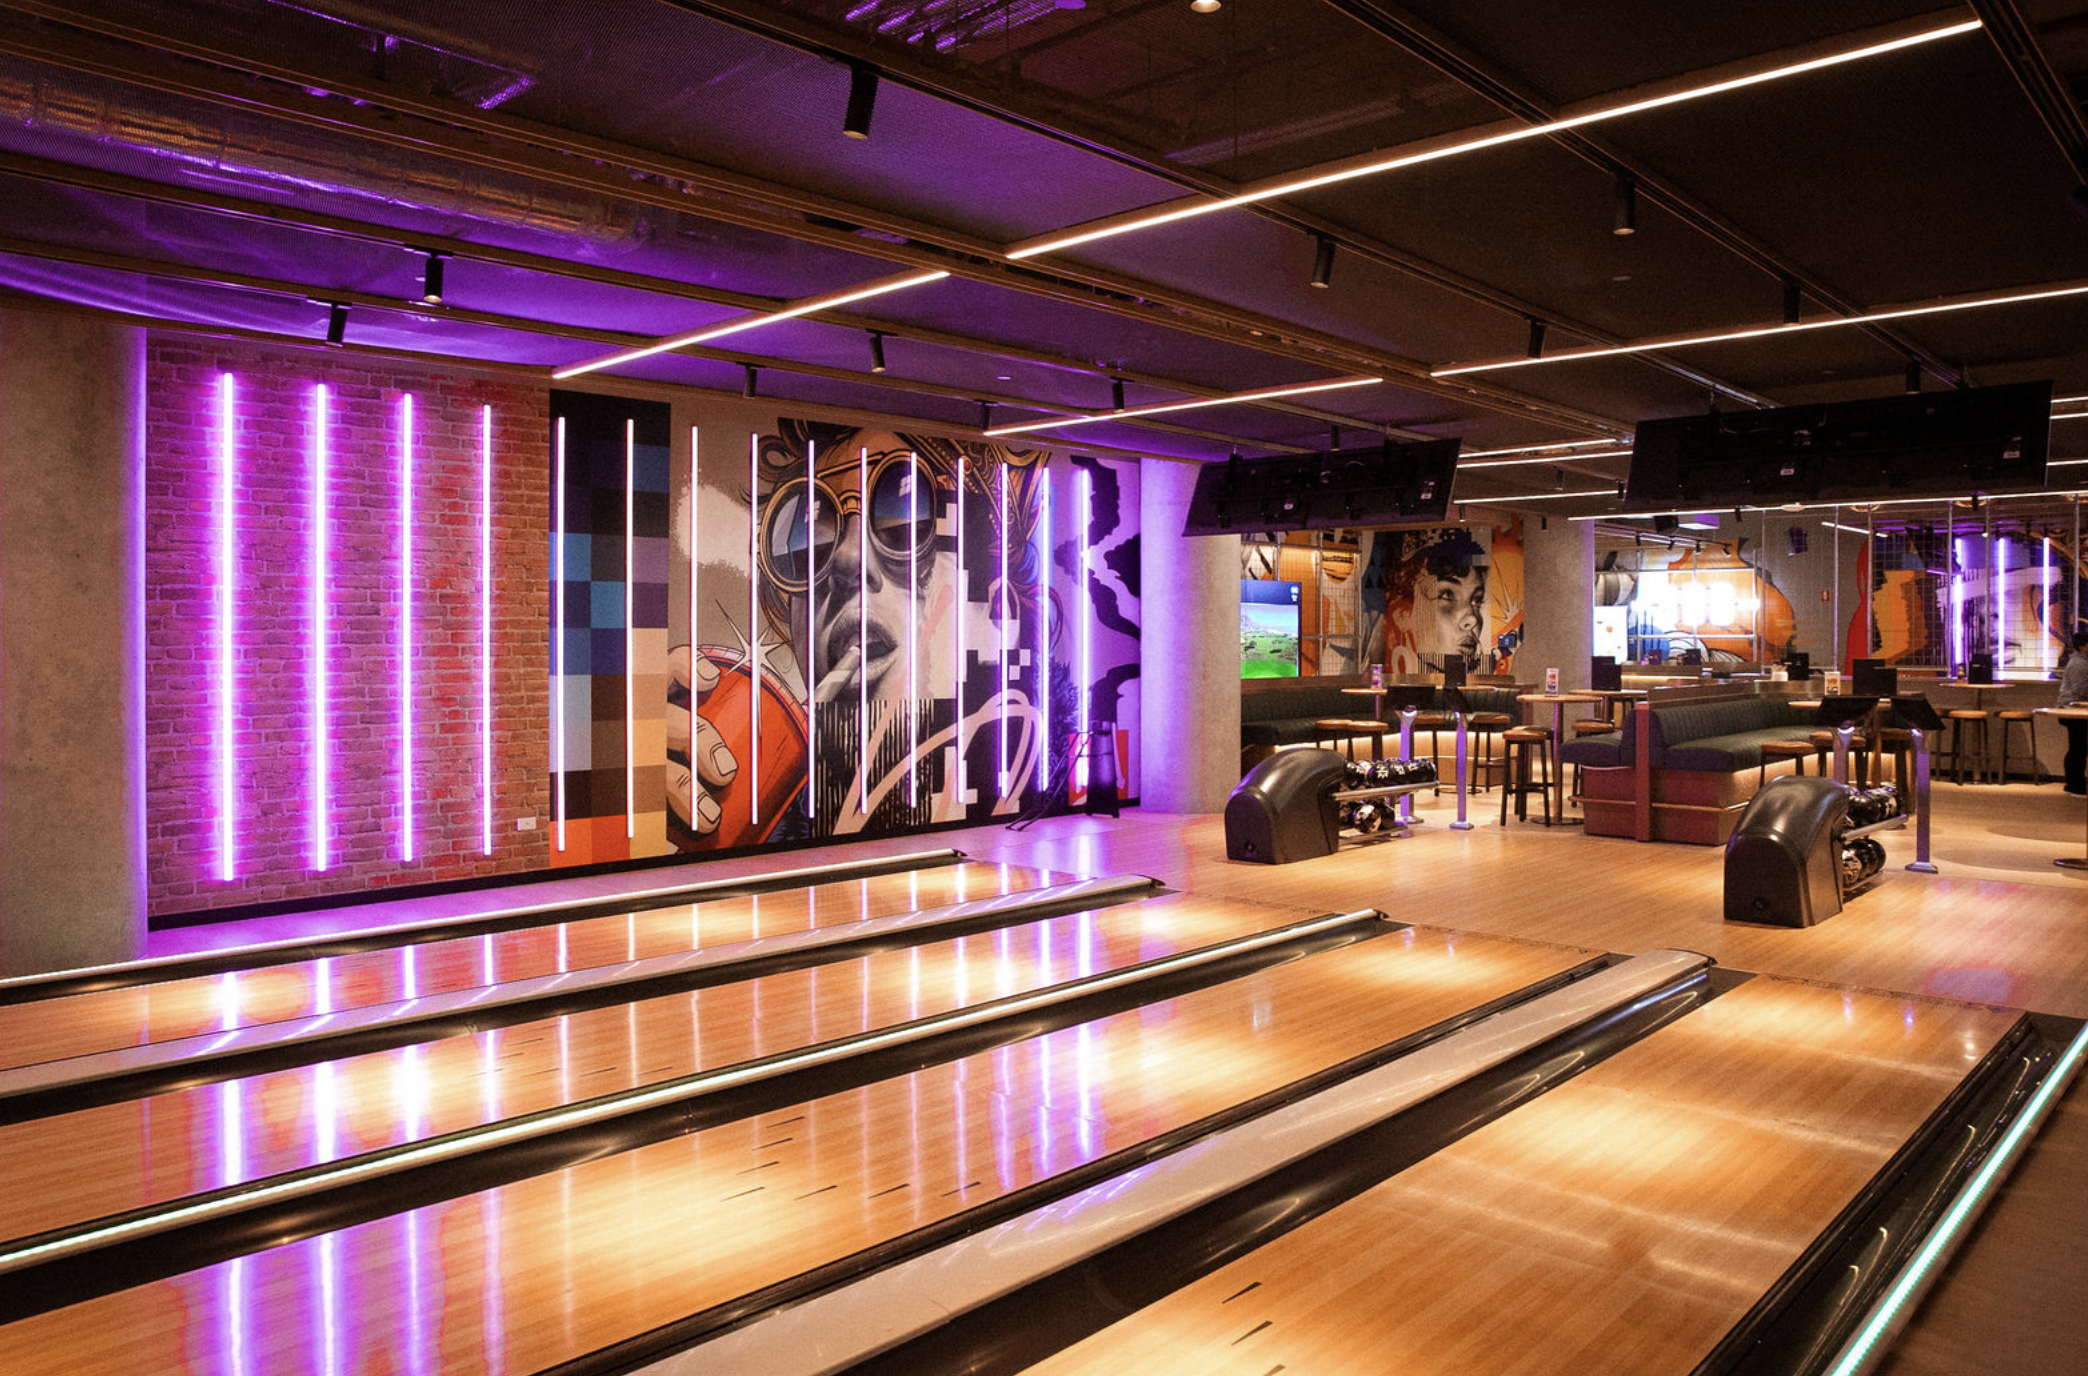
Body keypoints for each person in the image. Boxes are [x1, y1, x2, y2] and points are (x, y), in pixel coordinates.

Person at [2060, 630, 2088, 796]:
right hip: (2072, 710)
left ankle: (2074, 783)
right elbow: (2081, 691)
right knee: (2078, 747)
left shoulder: (2079, 662)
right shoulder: (2079, 664)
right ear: (2083, 646)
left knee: (2077, 747)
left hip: (2070, 709)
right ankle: (2074, 784)